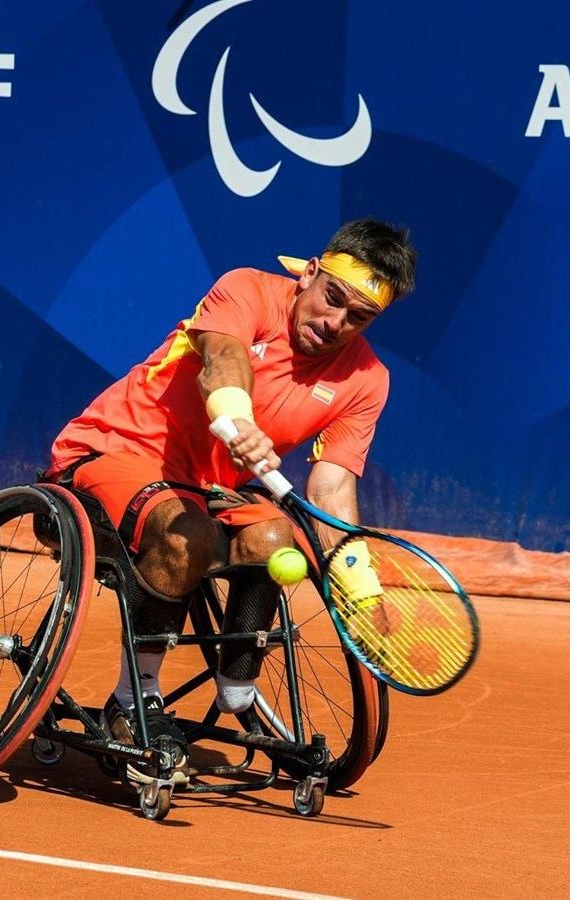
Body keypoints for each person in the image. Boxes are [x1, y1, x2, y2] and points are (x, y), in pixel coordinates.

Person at [44, 218, 416, 776]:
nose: (335, 323)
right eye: (332, 299)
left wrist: (363, 598)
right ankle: (133, 699)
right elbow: (222, 360)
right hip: (117, 451)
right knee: (186, 533)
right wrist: (236, 422)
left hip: (208, 487)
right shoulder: (246, 288)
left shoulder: (367, 379)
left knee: (275, 536)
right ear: (311, 272)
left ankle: (238, 687)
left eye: (359, 318)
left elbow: (333, 489)